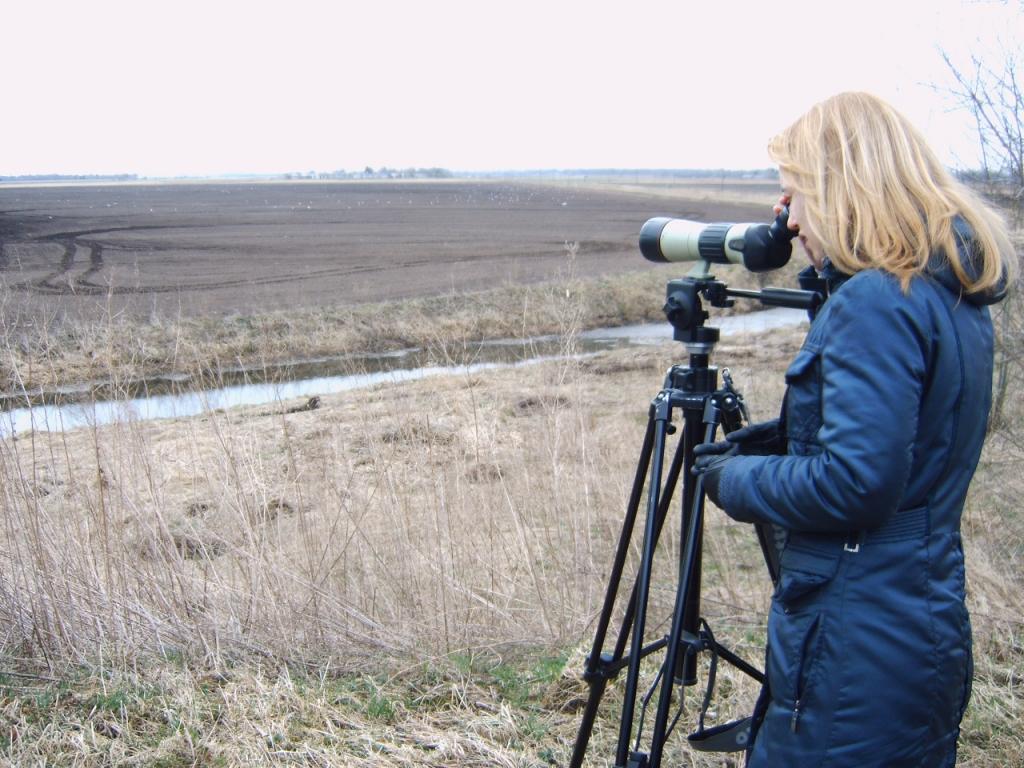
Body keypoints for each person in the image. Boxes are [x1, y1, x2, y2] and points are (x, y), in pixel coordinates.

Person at [694, 91, 1017, 767]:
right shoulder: (945, 290)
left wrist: (732, 479)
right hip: (915, 614)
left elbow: (857, 485)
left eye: (794, 197)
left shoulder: (877, 298)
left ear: (840, 193)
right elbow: (912, 439)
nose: (788, 222)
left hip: (855, 640)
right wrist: (781, 438)